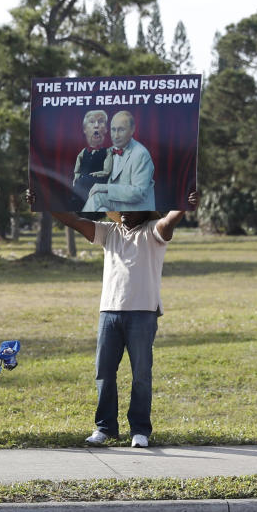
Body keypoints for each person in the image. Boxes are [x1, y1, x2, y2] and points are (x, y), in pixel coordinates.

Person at [29, 188, 198, 447]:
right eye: (120, 208)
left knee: (141, 373)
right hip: (109, 312)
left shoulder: (153, 230)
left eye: (130, 208)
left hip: (143, 312)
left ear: (145, 210)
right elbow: (73, 221)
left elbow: (168, 222)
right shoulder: (109, 231)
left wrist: (184, 206)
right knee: (104, 372)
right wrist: (44, 201)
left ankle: (140, 430)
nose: (124, 213)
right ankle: (105, 427)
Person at [82, 110, 155, 212]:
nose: (116, 136)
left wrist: (106, 187)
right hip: (118, 203)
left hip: (136, 208)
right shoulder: (110, 151)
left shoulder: (140, 154)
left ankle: (79, 224)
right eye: (113, 130)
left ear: (132, 130)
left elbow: (140, 193)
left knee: (97, 198)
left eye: (121, 130)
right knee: (99, 205)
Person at [70, 109, 114, 211]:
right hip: (79, 192)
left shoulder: (108, 152)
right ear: (85, 129)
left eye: (101, 121)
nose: (96, 125)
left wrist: (99, 174)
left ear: (106, 129)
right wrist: (76, 174)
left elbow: (107, 171)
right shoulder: (83, 151)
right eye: (92, 121)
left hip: (97, 191)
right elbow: (78, 162)